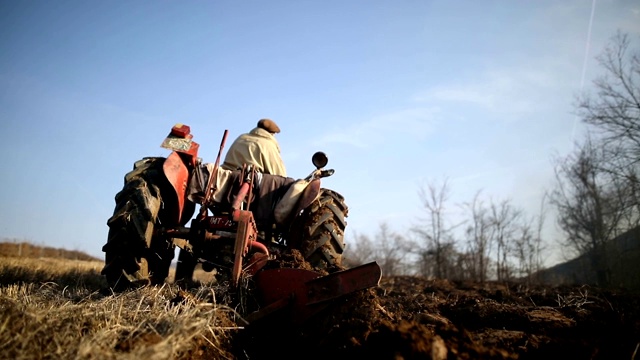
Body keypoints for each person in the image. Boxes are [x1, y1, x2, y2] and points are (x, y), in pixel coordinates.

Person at [221, 118, 287, 177]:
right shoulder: (268, 145)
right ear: (272, 133)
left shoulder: (241, 137)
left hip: (225, 178)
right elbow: (280, 174)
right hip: (250, 182)